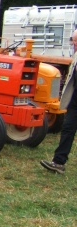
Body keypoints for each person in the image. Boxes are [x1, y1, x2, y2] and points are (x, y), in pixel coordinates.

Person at [40, 28, 77, 173]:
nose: (75, 44)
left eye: (76, 41)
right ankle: (58, 162)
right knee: (68, 128)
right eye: (74, 40)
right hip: (75, 100)